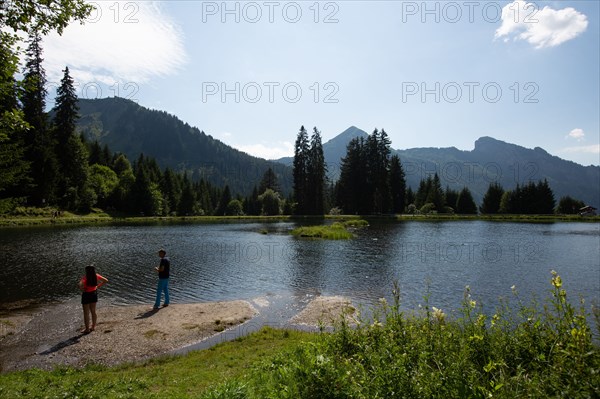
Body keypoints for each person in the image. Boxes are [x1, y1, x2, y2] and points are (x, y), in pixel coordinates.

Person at [78, 265, 108, 334]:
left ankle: (87, 329)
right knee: (93, 311)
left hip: (86, 295)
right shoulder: (96, 276)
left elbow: (79, 284)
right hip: (93, 294)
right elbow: (106, 280)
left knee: (86, 313)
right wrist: (97, 286)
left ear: (86, 271)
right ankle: (93, 327)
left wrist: (82, 289)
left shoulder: (85, 278)